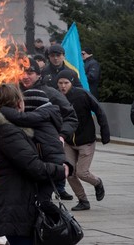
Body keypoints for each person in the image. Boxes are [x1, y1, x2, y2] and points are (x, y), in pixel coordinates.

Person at [0, 83, 69, 245]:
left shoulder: (4, 128)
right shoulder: (8, 132)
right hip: (15, 200)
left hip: (12, 197)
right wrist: (61, 170)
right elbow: (33, 167)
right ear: (19, 102)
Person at [20, 58, 78, 200]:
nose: (25, 76)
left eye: (30, 72)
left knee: (42, 197)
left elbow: (71, 117)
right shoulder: (14, 92)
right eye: (22, 72)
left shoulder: (51, 93)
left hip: (44, 149)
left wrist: (62, 135)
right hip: (21, 148)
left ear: (39, 75)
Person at [57, 69, 110, 211]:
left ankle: (97, 183)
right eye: (60, 83)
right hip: (68, 142)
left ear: (72, 82)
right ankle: (83, 201)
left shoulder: (82, 94)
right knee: (69, 172)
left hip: (86, 140)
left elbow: (99, 111)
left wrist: (105, 132)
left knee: (82, 172)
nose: (63, 86)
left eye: (66, 83)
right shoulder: (56, 97)